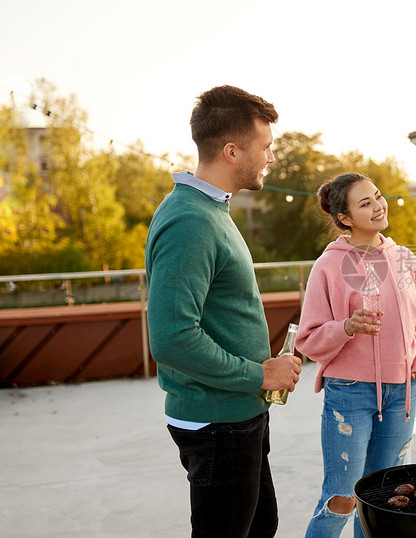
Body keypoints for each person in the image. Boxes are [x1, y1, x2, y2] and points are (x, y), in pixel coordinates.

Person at [145, 85, 302, 537]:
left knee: (260, 525)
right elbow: (173, 338)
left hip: (236, 415)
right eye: (266, 147)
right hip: (218, 424)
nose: (270, 158)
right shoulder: (190, 220)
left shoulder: (211, 210)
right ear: (232, 151)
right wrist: (260, 375)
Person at [296, 172, 416, 537]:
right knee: (343, 497)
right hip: (350, 391)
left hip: (401, 391)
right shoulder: (328, 265)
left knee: (383, 499)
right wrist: (347, 327)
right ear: (344, 217)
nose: (378, 206)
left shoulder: (402, 257)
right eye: (365, 203)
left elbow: (415, 322)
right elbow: (307, 339)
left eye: (378, 196)